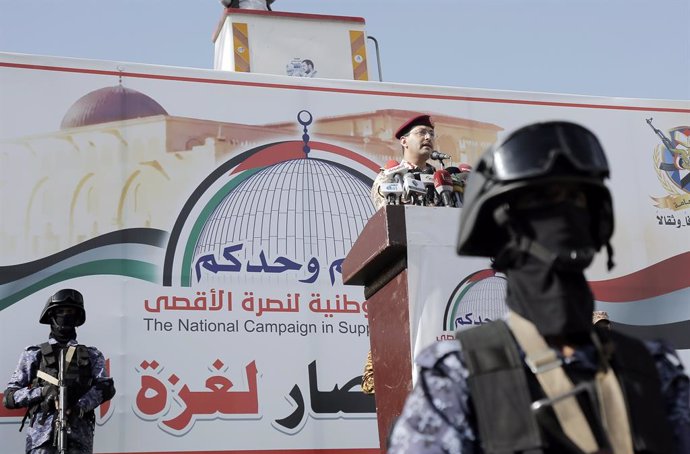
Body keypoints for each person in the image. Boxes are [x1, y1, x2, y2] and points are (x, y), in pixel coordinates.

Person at [387, 121, 690, 453]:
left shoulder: (652, 368)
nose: (564, 215)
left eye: (577, 199)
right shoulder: (459, 377)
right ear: (503, 228)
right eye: (541, 201)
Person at [3, 289, 116, 454]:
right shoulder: (34, 354)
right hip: (41, 440)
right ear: (51, 316)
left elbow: (106, 388)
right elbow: (10, 397)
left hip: (78, 439)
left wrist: (79, 406)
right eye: (60, 311)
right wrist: (43, 392)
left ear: (77, 318)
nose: (65, 315)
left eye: (70, 312)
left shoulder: (92, 355)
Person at [370, 114, 437, 210]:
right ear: (404, 141)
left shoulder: (440, 178)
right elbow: (387, 214)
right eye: (421, 132)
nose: (428, 137)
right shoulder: (390, 175)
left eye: (432, 134)